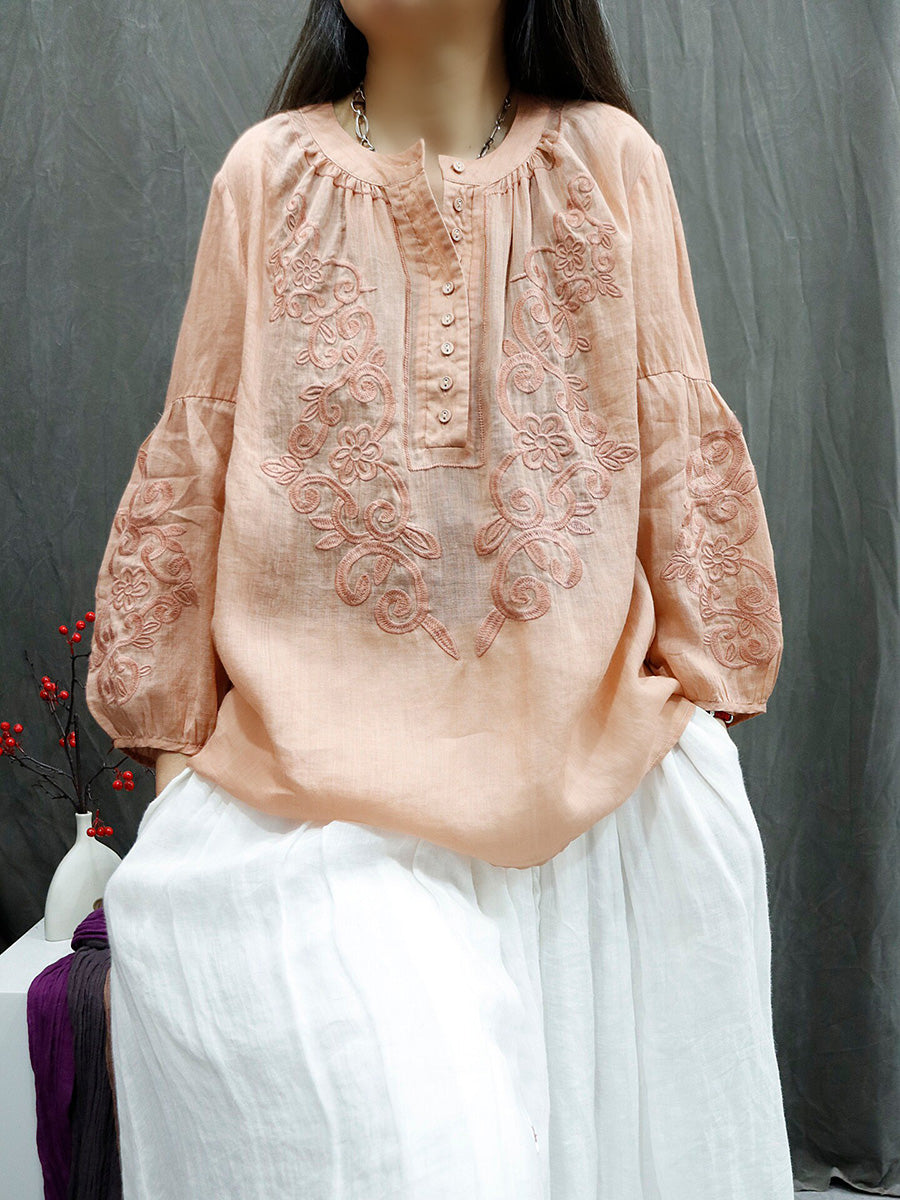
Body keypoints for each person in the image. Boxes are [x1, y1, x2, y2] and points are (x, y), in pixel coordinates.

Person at [85, 0, 796, 1195]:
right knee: (417, 1149)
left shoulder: (611, 160)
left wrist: (705, 696)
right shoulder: (267, 175)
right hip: (306, 809)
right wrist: (170, 755)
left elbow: (676, 436)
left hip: (603, 804)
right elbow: (198, 452)